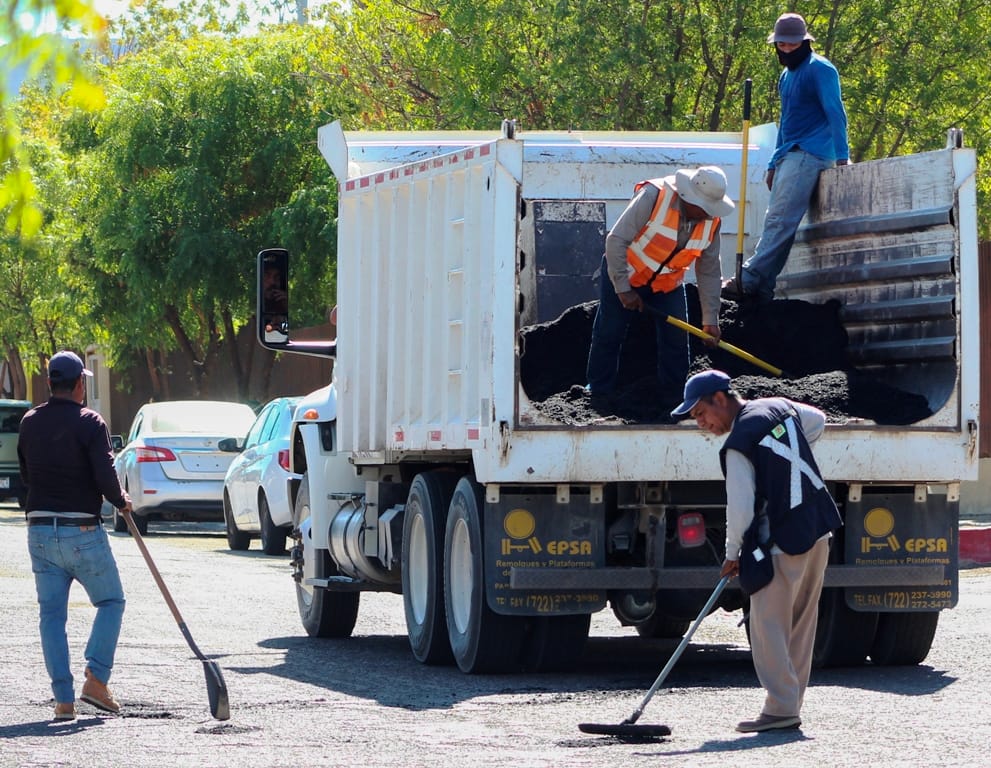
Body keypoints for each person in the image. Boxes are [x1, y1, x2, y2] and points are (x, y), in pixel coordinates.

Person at [671, 369, 842, 733]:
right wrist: (780, 466)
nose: (702, 423)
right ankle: (789, 706)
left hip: (781, 541)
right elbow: (818, 421)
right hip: (818, 530)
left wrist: (732, 554)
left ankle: (780, 709)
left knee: (768, 627)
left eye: (701, 413)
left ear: (720, 398)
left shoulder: (738, 445)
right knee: (800, 625)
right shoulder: (778, 408)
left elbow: (741, 508)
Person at [17, 350, 133, 721]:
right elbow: (104, 472)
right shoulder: (90, 421)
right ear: (80, 383)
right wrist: (121, 500)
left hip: (39, 530)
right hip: (81, 531)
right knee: (111, 601)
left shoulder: (29, 421)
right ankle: (96, 679)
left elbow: (26, 474)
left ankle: (63, 701)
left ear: (51, 383)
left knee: (52, 616)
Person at [723, 12, 850, 304]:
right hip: (789, 153)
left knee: (780, 219)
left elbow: (835, 113)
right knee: (779, 220)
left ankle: (751, 277)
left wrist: (842, 157)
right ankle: (763, 289)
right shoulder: (786, 74)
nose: (788, 50)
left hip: (811, 152)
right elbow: (786, 120)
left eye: (793, 45)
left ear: (805, 42)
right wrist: (772, 162)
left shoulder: (821, 69)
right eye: (783, 45)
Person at [585, 166, 733, 399]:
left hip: (667, 284)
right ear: (688, 196)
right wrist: (623, 288)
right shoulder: (654, 196)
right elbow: (616, 240)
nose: (707, 214)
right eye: (703, 207)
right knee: (609, 331)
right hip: (626, 272)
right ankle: (598, 392)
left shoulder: (712, 222)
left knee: (676, 340)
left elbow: (710, 271)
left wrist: (710, 319)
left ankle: (675, 398)